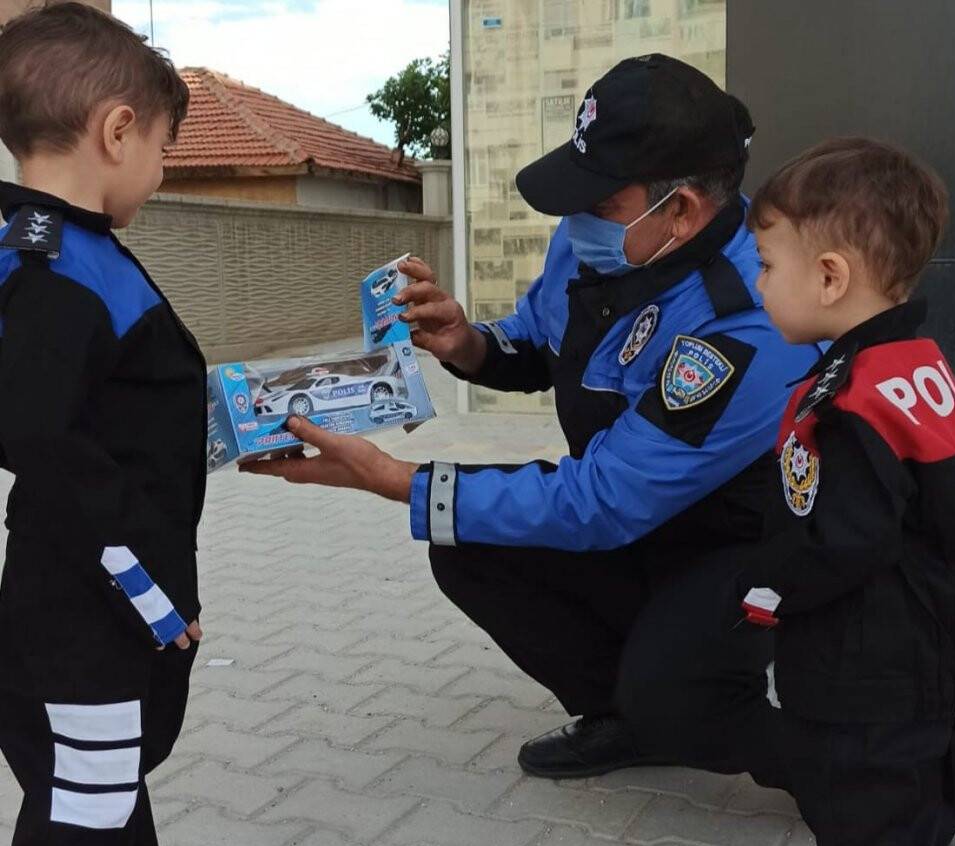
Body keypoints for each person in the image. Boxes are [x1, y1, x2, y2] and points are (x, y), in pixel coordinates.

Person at [242, 54, 818, 779]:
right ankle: (623, 715)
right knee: (470, 545)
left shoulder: (745, 324)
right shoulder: (599, 240)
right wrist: (468, 342)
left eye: (600, 203)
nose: (575, 220)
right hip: (635, 507)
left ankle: (865, 777)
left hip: (732, 541)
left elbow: (602, 503)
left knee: (675, 698)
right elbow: (540, 341)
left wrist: (395, 479)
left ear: (682, 211)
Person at [706, 137, 955, 846]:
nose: (758, 284)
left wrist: (761, 598)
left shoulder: (854, 401)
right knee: (873, 823)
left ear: (830, 278)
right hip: (920, 655)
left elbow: (838, 540)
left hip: (874, 672)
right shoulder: (912, 365)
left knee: (872, 842)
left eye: (766, 264)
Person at [0, 6, 216, 846]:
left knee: (104, 767)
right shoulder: (52, 267)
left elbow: (108, 402)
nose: (164, 173)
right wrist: (155, 595)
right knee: (81, 797)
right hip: (90, 602)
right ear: (117, 130)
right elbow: (42, 438)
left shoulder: (57, 245)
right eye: (165, 150)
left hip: (91, 592)